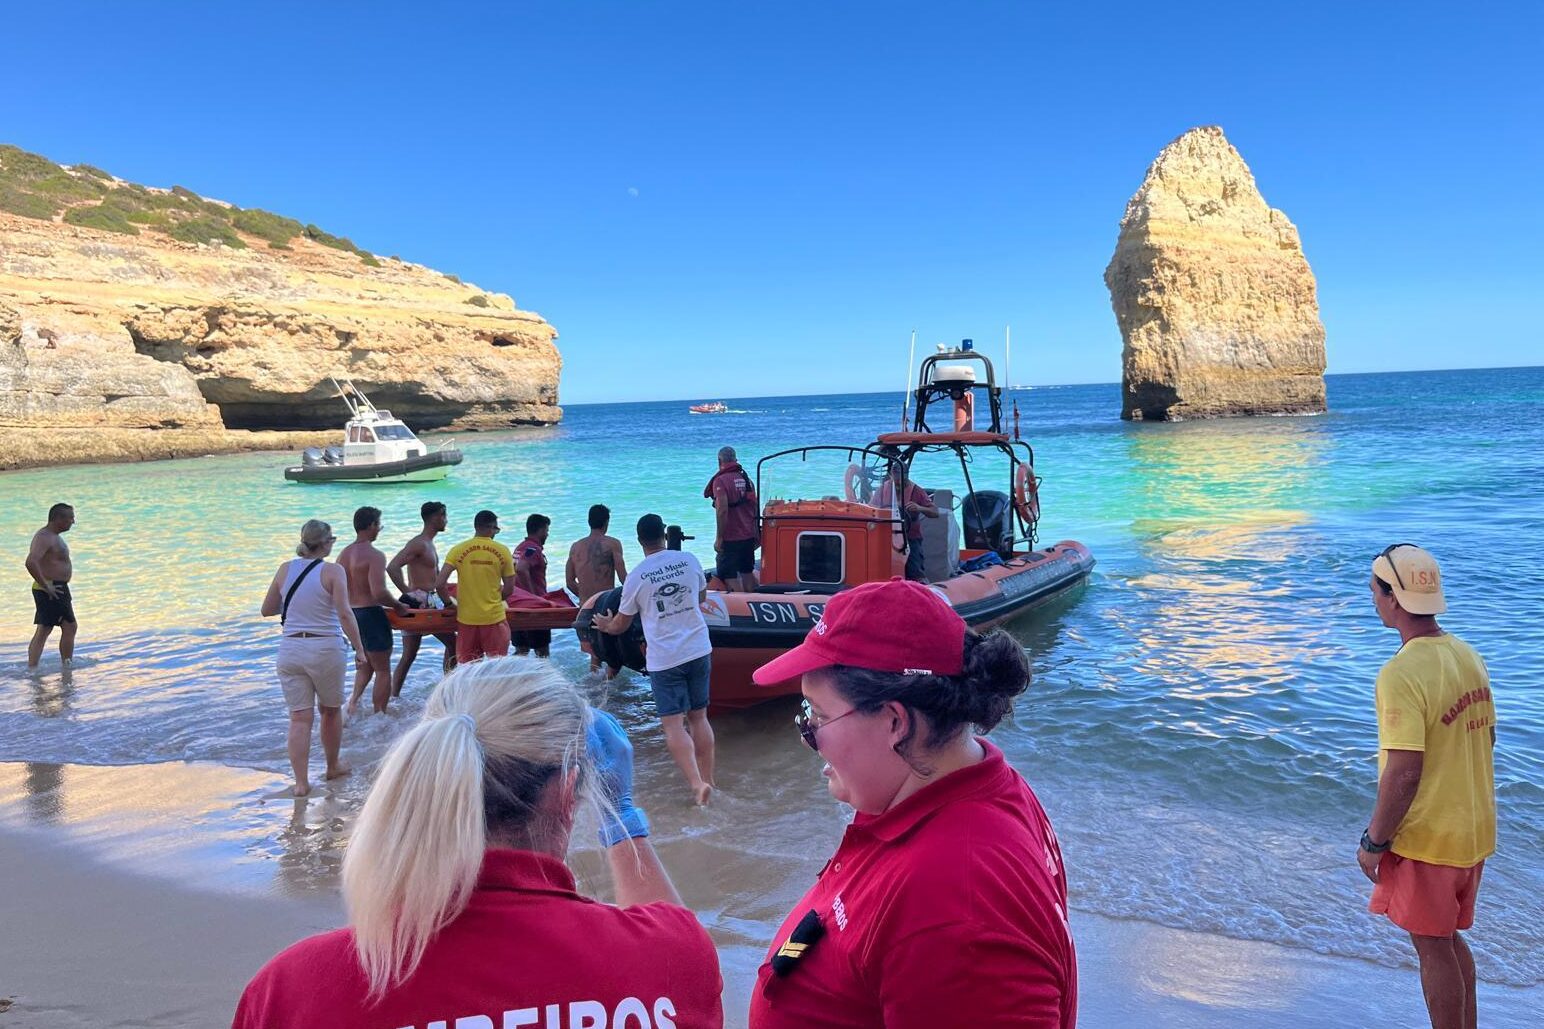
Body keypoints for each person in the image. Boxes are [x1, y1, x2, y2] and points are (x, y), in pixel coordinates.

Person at [233, 658, 724, 1027]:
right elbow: (667, 934)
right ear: (568, 790)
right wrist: (622, 819)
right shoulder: (666, 960)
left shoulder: (294, 991)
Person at [747, 577, 1076, 1027]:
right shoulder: (956, 790)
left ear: (895, 723)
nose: (808, 739)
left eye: (817, 717)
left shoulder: (961, 906)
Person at [1359, 544, 1496, 1029]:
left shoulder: (1401, 673)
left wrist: (1375, 840)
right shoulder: (1467, 655)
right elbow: (1488, 739)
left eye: (1375, 592)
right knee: (1446, 939)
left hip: (1431, 839)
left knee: (1431, 944)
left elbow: (1404, 770)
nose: (1373, 601)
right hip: (1472, 831)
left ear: (1394, 597)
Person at [593, 514, 716, 805]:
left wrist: (604, 625)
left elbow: (622, 624)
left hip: (665, 657)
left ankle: (697, 785)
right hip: (698, 648)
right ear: (664, 534)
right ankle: (710, 780)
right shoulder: (689, 561)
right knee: (699, 717)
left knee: (674, 724)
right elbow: (700, 598)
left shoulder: (636, 577)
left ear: (639, 540)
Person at [259, 520, 365, 798]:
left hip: (290, 648)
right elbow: (344, 613)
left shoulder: (285, 569)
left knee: (299, 718)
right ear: (327, 543)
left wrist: (300, 603)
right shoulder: (333, 571)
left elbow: (267, 609)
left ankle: (301, 783)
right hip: (324, 647)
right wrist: (360, 649)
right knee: (330, 711)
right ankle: (332, 766)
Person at [340, 507, 407, 716]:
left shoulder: (343, 554)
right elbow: (378, 592)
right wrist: (398, 605)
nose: (379, 530)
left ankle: (352, 706)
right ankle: (380, 716)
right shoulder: (374, 555)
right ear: (370, 526)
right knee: (383, 669)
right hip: (370, 613)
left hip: (351, 615)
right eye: (379, 525)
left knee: (364, 663)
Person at [387, 501, 457, 697]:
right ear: (435, 517)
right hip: (423, 603)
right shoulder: (419, 543)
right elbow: (392, 567)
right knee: (453, 643)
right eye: (444, 515)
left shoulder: (428, 543)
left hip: (423, 602)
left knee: (409, 655)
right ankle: (447, 690)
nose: (446, 520)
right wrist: (408, 593)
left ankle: (394, 698)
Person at [437, 510, 516, 664]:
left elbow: (439, 584)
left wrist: (448, 604)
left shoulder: (458, 550)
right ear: (491, 527)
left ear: (476, 527)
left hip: (467, 620)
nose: (495, 533)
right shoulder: (503, 551)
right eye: (496, 530)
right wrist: (494, 600)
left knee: (469, 669)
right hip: (494, 619)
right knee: (497, 669)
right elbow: (509, 589)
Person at [566, 504, 629, 674]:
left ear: (589, 522)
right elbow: (624, 578)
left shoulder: (575, 547)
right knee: (614, 658)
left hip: (584, 609)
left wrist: (586, 597)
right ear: (606, 523)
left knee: (595, 654)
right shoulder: (612, 544)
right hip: (605, 607)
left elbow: (570, 581)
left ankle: (593, 691)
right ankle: (609, 694)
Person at [25, 503, 77, 669]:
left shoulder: (52, 536)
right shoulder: (45, 537)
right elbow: (31, 562)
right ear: (58, 519)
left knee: (46, 628)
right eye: (70, 518)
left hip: (55, 587)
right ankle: (66, 666)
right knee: (68, 626)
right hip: (51, 588)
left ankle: (34, 668)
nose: (73, 521)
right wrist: (46, 585)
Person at [873, 451, 938, 582]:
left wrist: (920, 508)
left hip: (910, 538)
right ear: (891, 476)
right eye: (895, 483)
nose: (897, 486)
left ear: (906, 476)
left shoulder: (917, 491)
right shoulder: (883, 489)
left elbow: (935, 512)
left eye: (901, 482)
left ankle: (921, 585)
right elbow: (871, 508)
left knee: (914, 570)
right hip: (886, 537)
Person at [705, 446, 759, 592]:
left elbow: (722, 510)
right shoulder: (747, 480)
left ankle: (741, 606)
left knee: (728, 575)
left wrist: (719, 538)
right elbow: (755, 508)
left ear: (719, 461)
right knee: (747, 571)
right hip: (748, 535)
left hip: (731, 538)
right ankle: (753, 603)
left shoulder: (720, 481)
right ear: (736, 460)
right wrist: (757, 534)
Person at [513, 513, 553, 659]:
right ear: (541, 530)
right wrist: (532, 598)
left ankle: (514, 679)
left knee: (521, 651)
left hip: (517, 606)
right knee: (542, 652)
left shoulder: (519, 548)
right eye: (547, 531)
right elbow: (521, 569)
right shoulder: (533, 549)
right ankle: (544, 681)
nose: (547, 534)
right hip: (534, 609)